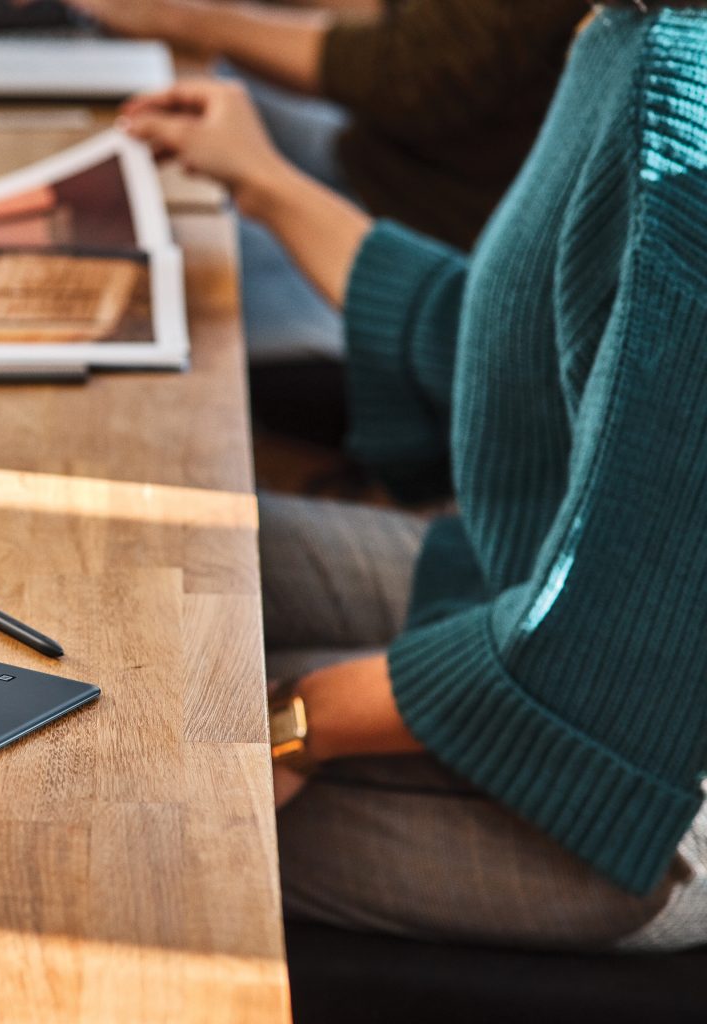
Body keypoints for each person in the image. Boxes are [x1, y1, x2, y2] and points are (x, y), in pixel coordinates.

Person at [119, 2, 707, 949]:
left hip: (643, 790)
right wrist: (261, 178)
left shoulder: (692, 87)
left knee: (127, 763)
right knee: (138, 568)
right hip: (521, 593)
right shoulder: (632, 32)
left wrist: (304, 719)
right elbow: (501, 341)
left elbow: (610, 643)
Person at [67, 0, 590, 362]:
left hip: (437, 235)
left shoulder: (625, 47)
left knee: (174, 292)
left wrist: (265, 183)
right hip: (391, 166)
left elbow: (409, 71)